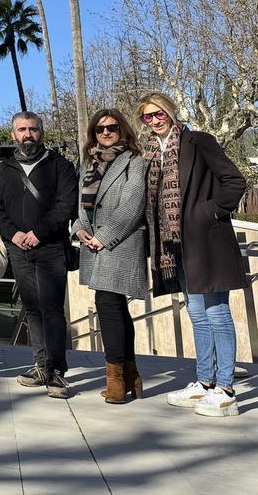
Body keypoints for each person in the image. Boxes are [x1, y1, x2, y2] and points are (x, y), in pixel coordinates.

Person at [139, 92, 247, 418]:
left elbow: (234, 181)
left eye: (159, 114)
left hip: (205, 241)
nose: (155, 121)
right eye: (147, 117)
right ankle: (204, 382)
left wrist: (206, 213)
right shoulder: (150, 154)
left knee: (217, 313)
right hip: (175, 245)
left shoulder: (198, 141)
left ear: (171, 112)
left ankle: (225, 389)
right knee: (197, 314)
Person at [0, 111, 78, 399]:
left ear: (41, 132)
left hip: (51, 247)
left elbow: (66, 205)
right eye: (21, 129)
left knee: (52, 310)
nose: (27, 134)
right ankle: (41, 365)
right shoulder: (5, 168)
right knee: (32, 309)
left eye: (32, 129)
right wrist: (14, 234)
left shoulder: (60, 166)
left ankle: (57, 372)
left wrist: (38, 232)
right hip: (19, 249)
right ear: (13, 134)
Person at [72, 108, 147, 404]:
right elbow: (82, 203)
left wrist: (104, 236)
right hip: (93, 241)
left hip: (120, 241)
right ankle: (131, 374)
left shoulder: (133, 161)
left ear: (122, 130)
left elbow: (133, 203)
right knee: (114, 305)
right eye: (100, 129)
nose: (105, 133)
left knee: (107, 303)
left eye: (112, 128)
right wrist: (79, 228)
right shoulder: (89, 163)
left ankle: (115, 379)